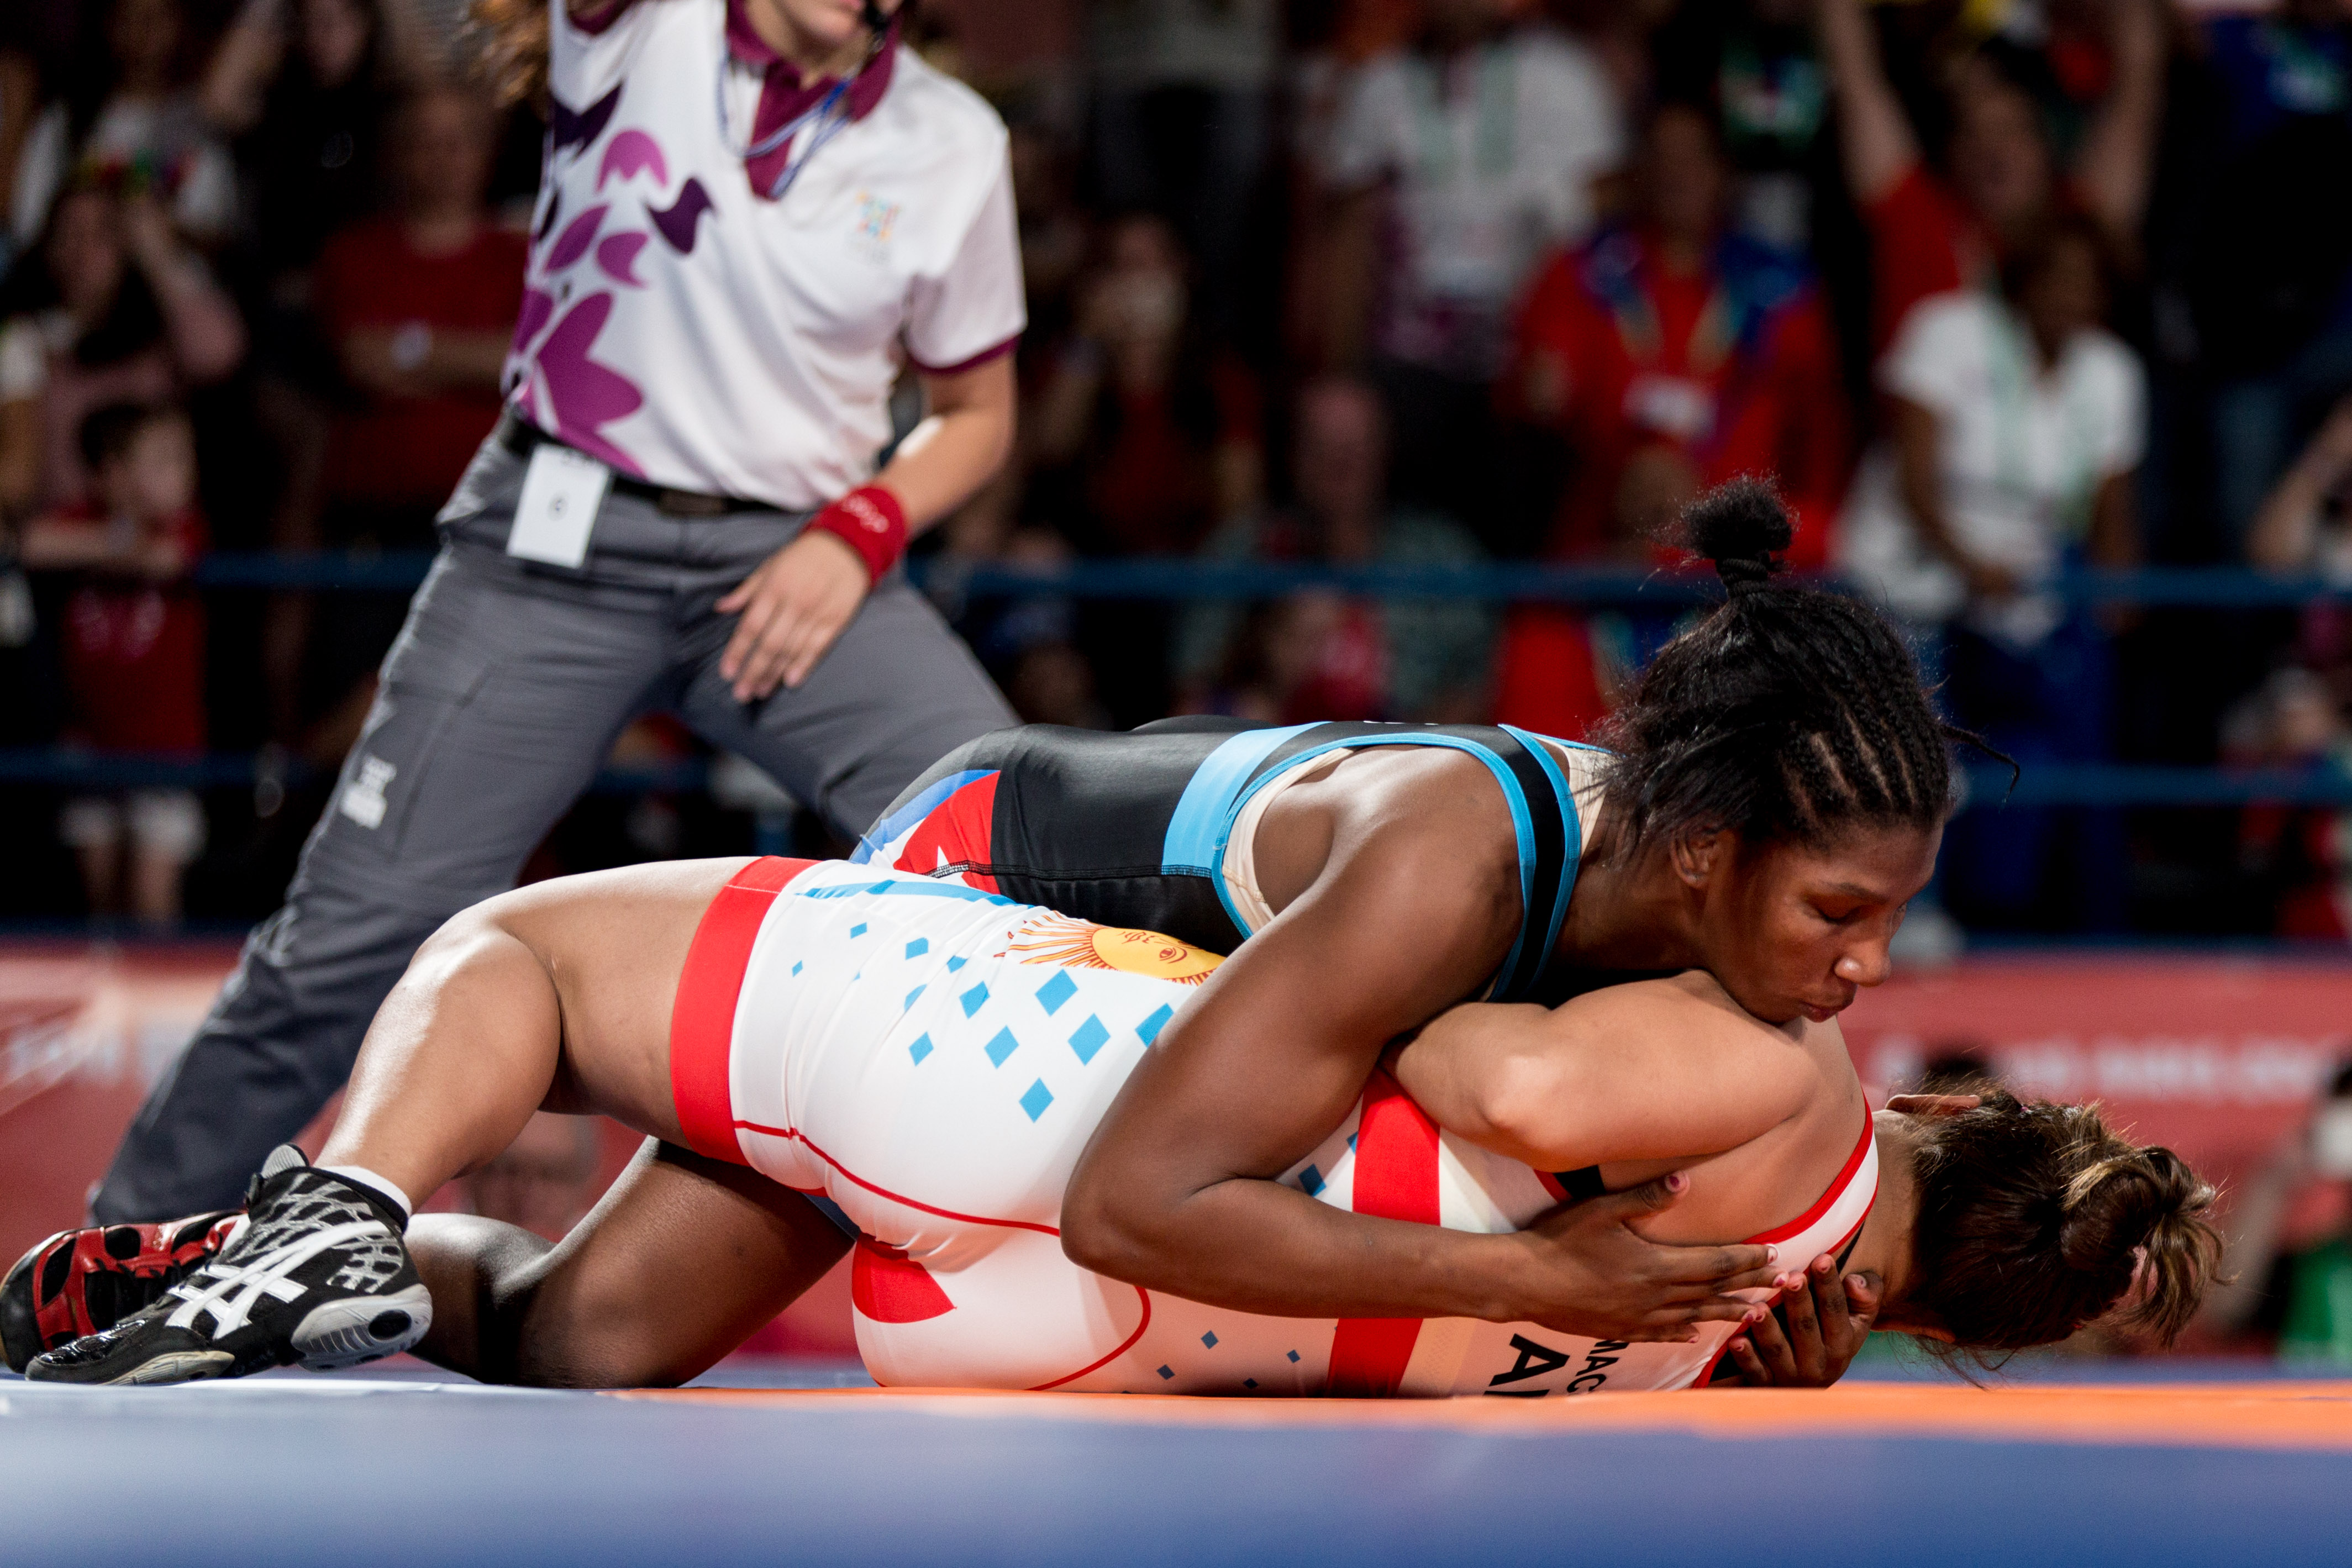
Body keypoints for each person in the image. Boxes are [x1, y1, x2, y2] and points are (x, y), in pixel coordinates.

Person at [15, 852, 2219, 1391]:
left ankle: (332, 1212)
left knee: (525, 955)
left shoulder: (1791, 1082)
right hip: (1027, 1349)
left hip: (1050, 1104)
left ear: (1956, 1101)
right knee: (575, 1339)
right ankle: (366, 1278)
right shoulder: (1745, 1379)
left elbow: (1481, 1077)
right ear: (1949, 1319)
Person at [85, 0, 1023, 1225]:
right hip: (558, 548)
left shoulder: (948, 138)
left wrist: (857, 538)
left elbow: (978, 413)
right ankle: (111, 1256)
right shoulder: (642, 25)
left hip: (796, 562)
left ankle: (1140, 1247)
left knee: (1024, 863)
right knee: (346, 944)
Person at [840, 477, 1991, 1367]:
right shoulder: (1452, 875)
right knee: (652, 1337)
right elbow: (1133, 1209)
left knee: (651, 1336)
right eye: (1838, 911)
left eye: (1894, 914)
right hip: (980, 869)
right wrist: (1525, 1284)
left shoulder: (1693, 885)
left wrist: (1727, 1366)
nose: (1871, 965)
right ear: (1706, 852)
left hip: (1136, 918)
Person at [1837, 215, 2143, 929]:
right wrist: (1969, 566)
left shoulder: (2111, 371)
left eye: (2087, 284)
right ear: (2024, 281)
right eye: (2057, 278)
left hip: (2020, 594)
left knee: (2059, 728)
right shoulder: (1947, 329)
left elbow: (2110, 513)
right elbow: (1914, 480)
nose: (2071, 296)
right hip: (1907, 573)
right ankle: (1912, 913)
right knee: (1917, 746)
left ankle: (2053, 920)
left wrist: (2118, 592)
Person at [1317, 0, 1625, 525]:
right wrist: (1342, 375)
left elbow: (1606, 236)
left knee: (1522, 524)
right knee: (1413, 529)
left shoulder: (1564, 78)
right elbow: (1348, 243)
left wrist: (1584, 356)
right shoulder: (1381, 85)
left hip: (1527, 362)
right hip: (1409, 362)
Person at [1816, 0, 2165, 355]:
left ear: (2046, 152)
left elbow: (2139, 79)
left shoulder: (2078, 226)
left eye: (2011, 132)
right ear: (1950, 159)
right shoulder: (1915, 219)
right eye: (1971, 136)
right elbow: (1852, 66)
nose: (1993, 152)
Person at [1173, 375, 1495, 725]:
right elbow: (1192, 697)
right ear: (1294, 455)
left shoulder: (1442, 554)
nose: (1339, 466)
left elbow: (1472, 692)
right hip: (1271, 758)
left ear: (1385, 453)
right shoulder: (1243, 548)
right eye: (1320, 447)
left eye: (1355, 449)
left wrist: (1405, 755)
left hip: (1408, 759)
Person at [18, 399, 207, 923]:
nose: (181, 475)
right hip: (90, 745)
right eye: (162, 460)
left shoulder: (184, 527)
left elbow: (167, 559)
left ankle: (165, 1005)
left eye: (183, 458)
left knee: (152, 899)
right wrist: (118, 539)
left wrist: (110, 547)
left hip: (165, 747)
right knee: (99, 903)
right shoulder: (80, 519)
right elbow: (31, 544)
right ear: (114, 474)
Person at [0, 183, 244, 513]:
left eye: (103, 232)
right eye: (69, 232)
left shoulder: (158, 343)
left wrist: (158, 253)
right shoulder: (24, 341)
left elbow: (219, 354)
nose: (84, 248)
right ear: (48, 247)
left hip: (156, 546)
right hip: (55, 545)